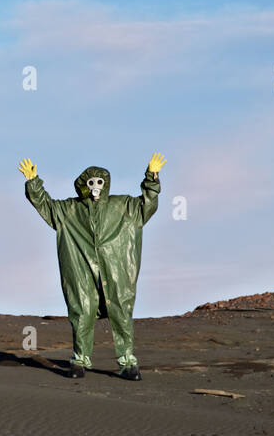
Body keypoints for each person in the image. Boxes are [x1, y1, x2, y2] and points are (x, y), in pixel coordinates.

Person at [19, 153, 165, 380]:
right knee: (81, 311)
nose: (95, 186)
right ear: (83, 186)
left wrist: (152, 178)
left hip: (117, 269)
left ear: (106, 185)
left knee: (121, 310)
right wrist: (33, 182)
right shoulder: (69, 210)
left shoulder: (124, 206)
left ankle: (127, 363)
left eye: (100, 182)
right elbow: (47, 206)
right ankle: (79, 360)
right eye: (91, 182)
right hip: (81, 270)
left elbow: (147, 204)